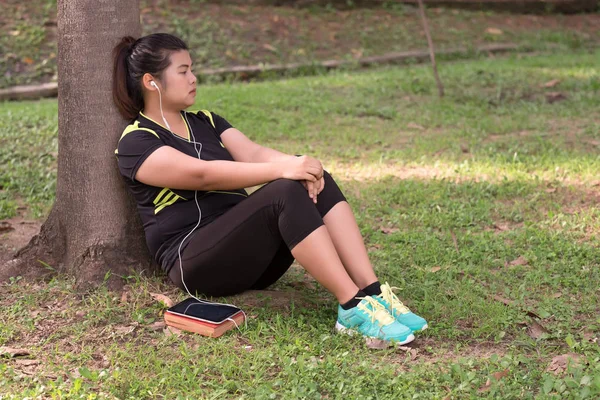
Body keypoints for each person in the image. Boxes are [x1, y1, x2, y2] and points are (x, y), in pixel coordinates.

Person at [112, 33, 427, 346]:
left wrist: (303, 166)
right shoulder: (136, 141)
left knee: (313, 180)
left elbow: (253, 154)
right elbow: (202, 175)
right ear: (152, 82)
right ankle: (352, 307)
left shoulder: (206, 121)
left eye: (192, 69)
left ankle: (372, 292)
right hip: (196, 263)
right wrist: (284, 170)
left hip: (252, 260)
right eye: (183, 71)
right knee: (284, 191)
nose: (194, 78)